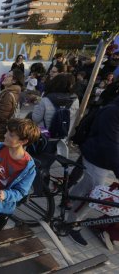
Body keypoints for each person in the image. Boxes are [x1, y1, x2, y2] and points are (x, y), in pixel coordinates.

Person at [67, 96, 119, 246]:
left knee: (86, 184)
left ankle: (69, 200)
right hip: (97, 156)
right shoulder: (113, 112)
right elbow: (110, 144)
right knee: (95, 194)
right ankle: (72, 224)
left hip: (102, 157)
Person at [31, 74, 79, 171]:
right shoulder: (75, 100)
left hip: (43, 137)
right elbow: (72, 118)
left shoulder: (45, 100)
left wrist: (36, 105)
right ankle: (45, 178)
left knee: (36, 162)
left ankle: (35, 181)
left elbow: (35, 119)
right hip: (60, 137)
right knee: (47, 164)